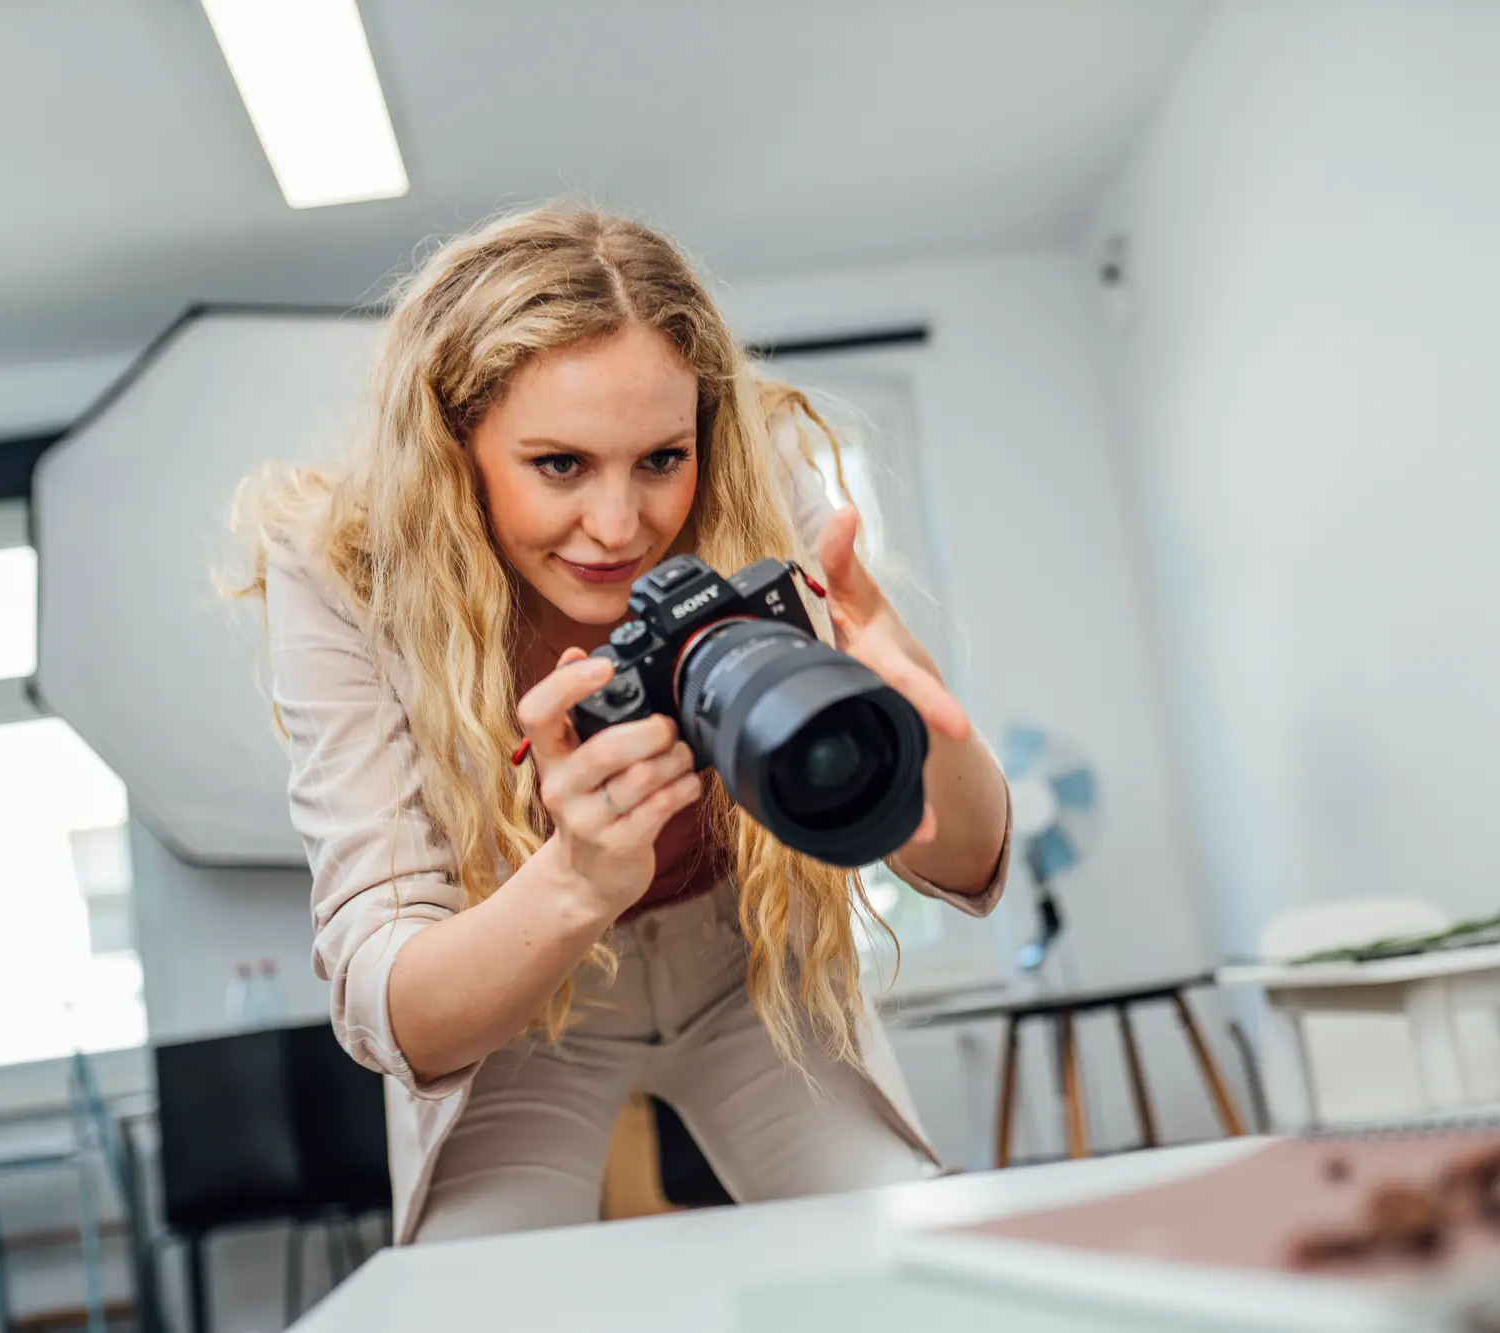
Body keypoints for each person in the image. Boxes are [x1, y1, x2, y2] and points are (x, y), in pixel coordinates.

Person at [236, 204, 1012, 1243]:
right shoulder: (345, 572)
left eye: (659, 459)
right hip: (520, 1001)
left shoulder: (751, 491)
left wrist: (917, 725)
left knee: (911, 1254)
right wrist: (573, 880)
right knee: (470, 1303)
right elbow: (392, 1012)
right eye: (558, 464)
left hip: (742, 967)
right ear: (454, 445)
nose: (618, 526)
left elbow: (963, 867)